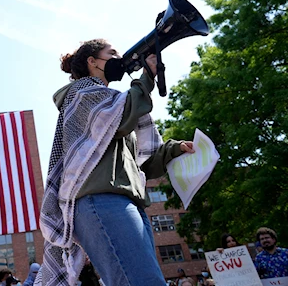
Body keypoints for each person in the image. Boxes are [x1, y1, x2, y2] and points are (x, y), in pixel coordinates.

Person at [38, 38, 195, 286]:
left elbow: (143, 164)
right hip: (100, 200)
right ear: (93, 62)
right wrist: (146, 78)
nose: (119, 58)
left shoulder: (112, 106)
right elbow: (124, 115)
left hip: (125, 202)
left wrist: (174, 149)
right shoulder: (82, 95)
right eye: (112, 53)